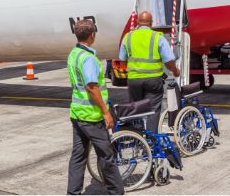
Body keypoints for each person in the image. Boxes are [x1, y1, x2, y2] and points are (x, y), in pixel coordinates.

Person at [67, 20, 124, 195]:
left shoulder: (74, 54)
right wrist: (106, 112)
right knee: (107, 155)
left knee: (78, 156)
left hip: (77, 113)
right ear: (92, 35)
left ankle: (73, 192)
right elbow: (91, 87)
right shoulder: (89, 59)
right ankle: (116, 191)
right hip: (91, 116)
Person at [119, 11, 181, 132]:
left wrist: (135, 69)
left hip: (134, 80)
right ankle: (151, 141)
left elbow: (122, 59)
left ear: (137, 22)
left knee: (134, 108)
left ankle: (136, 137)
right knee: (153, 110)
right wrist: (175, 71)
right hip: (153, 80)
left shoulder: (128, 37)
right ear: (151, 23)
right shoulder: (158, 37)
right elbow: (168, 60)